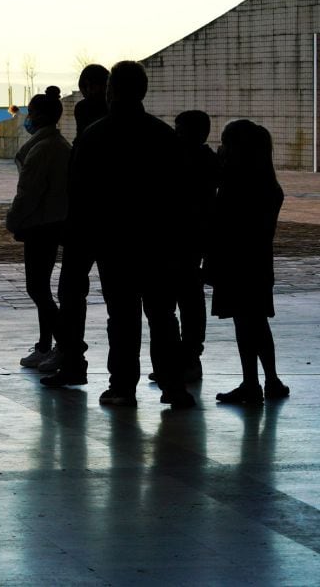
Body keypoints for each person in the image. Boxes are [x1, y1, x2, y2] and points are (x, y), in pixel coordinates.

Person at [68, 61, 195, 408]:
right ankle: (173, 384)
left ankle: (122, 385)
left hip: (114, 242)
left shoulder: (94, 136)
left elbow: (80, 197)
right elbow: (180, 195)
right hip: (158, 242)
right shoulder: (164, 135)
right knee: (163, 315)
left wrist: (81, 244)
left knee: (122, 316)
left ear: (110, 92)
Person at [208, 120, 289, 404]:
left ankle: (251, 383)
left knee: (244, 325)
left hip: (235, 263)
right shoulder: (267, 183)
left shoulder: (234, 184)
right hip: (259, 262)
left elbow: (222, 223)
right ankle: (271, 379)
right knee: (258, 322)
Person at [40, 63, 110, 384]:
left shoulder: (88, 134)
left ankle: (72, 361)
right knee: (120, 300)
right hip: (114, 225)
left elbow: (76, 181)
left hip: (83, 223)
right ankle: (121, 379)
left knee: (70, 293)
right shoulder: (134, 131)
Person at [6, 88, 70, 371]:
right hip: (52, 222)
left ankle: (65, 344)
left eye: (30, 113)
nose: (27, 118)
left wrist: (12, 220)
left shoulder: (42, 149)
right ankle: (48, 344)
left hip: (40, 225)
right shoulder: (57, 145)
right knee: (41, 288)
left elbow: (28, 193)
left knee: (38, 288)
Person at [161, 110, 220, 382]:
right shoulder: (209, 160)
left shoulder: (180, 159)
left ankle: (182, 357)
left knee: (175, 301)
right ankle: (189, 356)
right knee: (190, 300)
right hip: (196, 238)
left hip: (177, 238)